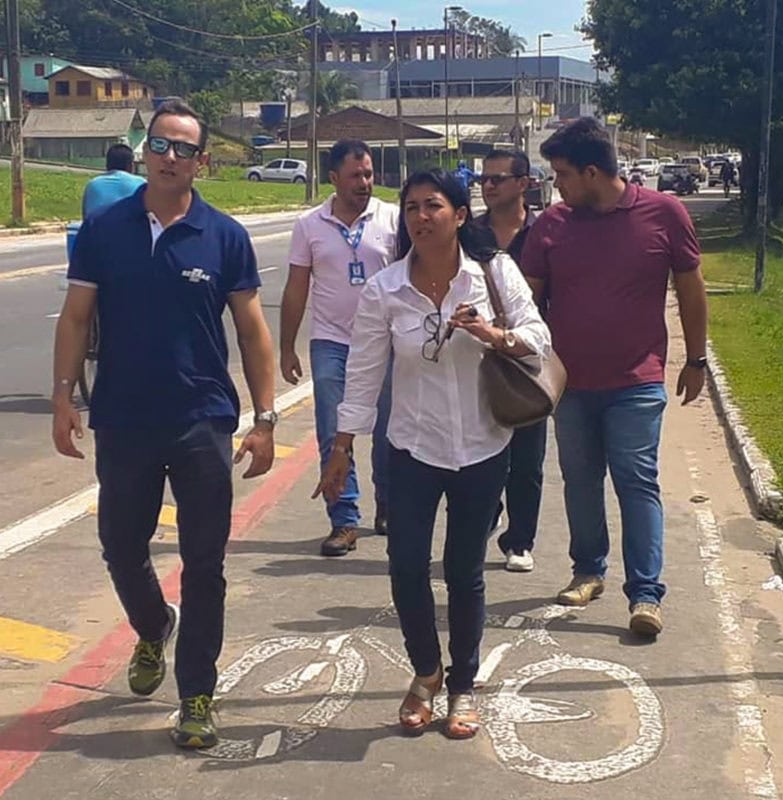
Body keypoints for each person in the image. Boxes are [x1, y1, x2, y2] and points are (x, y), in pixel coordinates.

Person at [52, 99, 278, 748]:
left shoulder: (224, 235)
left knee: (204, 565)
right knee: (122, 549)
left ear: (200, 161)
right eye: (160, 145)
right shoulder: (105, 229)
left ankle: (197, 694)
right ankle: (154, 627)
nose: (170, 157)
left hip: (201, 421)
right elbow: (75, 317)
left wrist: (264, 418)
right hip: (124, 419)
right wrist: (63, 396)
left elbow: (253, 332)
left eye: (183, 148)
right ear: (144, 151)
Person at [315, 168, 551, 739]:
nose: (421, 217)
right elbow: (364, 373)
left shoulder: (493, 273)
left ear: (460, 215)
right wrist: (342, 447)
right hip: (411, 448)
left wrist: (492, 334)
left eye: (434, 205)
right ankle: (426, 672)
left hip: (482, 446)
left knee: (464, 572)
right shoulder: (385, 289)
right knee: (405, 566)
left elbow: (538, 338)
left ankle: (463, 683)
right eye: (412, 207)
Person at [521, 117, 708, 637]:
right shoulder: (553, 224)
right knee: (580, 481)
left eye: (562, 174)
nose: (556, 184)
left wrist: (696, 360)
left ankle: (645, 594)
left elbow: (691, 289)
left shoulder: (664, 213)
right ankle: (588, 570)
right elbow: (526, 300)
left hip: (636, 381)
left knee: (636, 480)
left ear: (591, 172)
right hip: (569, 384)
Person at [280, 139, 397, 556]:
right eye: (355, 176)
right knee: (333, 433)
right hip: (331, 342)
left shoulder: (392, 218)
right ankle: (344, 519)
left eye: (368, 174)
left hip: (385, 343)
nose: (364, 183)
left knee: (390, 432)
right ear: (333, 178)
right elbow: (296, 287)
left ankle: (389, 504)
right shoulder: (309, 225)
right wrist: (287, 347)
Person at [475, 148, 547, 573]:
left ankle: (520, 540)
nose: (488, 186)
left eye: (497, 179)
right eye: (483, 179)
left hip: (526, 358)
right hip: (476, 356)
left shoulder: (545, 231)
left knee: (527, 455)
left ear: (523, 184)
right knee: (480, 450)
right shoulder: (470, 233)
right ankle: (487, 513)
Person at [81, 143, 146, 219]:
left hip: (98, 226)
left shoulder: (92, 185)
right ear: (130, 165)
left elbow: (86, 217)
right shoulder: (141, 184)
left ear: (107, 164)